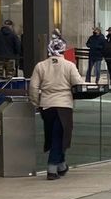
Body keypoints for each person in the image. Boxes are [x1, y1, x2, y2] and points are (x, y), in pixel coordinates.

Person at [27, 36, 84, 179]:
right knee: (61, 136)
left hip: (46, 105)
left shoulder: (40, 66)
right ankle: (52, 168)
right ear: (63, 50)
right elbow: (78, 83)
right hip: (64, 105)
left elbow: (33, 87)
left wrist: (36, 102)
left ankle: (62, 165)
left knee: (53, 135)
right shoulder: (69, 65)